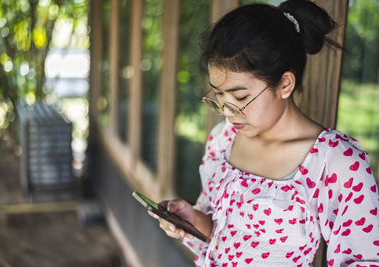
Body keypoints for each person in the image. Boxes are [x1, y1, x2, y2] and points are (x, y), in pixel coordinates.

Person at [148, 0, 379, 266]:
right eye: (218, 95)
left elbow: (364, 260)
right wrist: (193, 219)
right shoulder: (223, 139)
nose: (226, 111)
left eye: (239, 96)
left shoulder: (334, 162)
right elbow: (227, 236)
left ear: (284, 84)